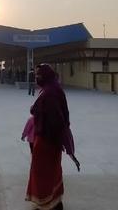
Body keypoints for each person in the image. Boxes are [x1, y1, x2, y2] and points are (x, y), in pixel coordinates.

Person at [25, 64, 79, 210]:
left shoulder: (50, 93)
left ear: (46, 76)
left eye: (39, 75)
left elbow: (56, 119)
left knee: (42, 171)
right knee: (53, 170)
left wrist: (51, 139)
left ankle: (46, 204)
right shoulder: (53, 88)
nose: (36, 78)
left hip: (47, 140)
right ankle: (55, 201)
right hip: (49, 139)